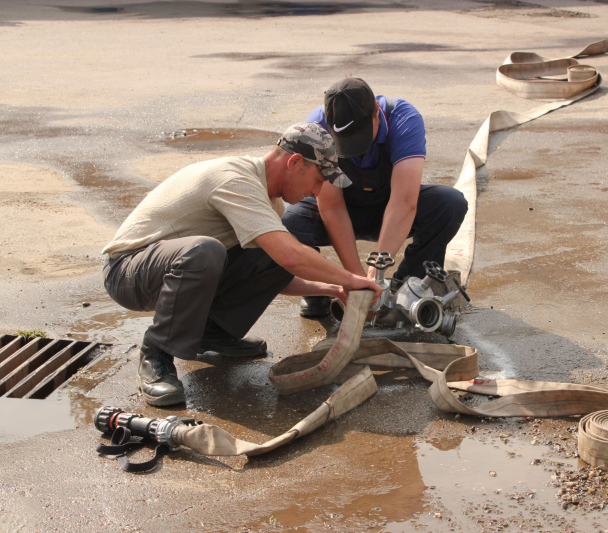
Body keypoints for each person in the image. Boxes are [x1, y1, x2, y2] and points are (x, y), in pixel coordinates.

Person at [101, 122, 382, 407]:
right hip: (127, 271)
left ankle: (211, 333)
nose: (317, 191)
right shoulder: (235, 180)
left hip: (170, 267)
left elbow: (278, 269)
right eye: (319, 180)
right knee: (207, 252)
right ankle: (156, 354)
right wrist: (351, 279)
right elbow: (291, 257)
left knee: (276, 247)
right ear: (295, 162)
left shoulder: (269, 202)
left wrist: (331, 288)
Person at [282, 77, 468, 318]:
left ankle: (408, 288)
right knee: (289, 223)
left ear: (376, 114)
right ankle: (322, 291)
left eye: (359, 138)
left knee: (449, 204)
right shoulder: (316, 126)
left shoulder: (404, 119)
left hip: (389, 206)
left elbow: (404, 202)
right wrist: (356, 279)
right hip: (344, 208)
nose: (355, 150)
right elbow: (332, 207)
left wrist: (375, 275)